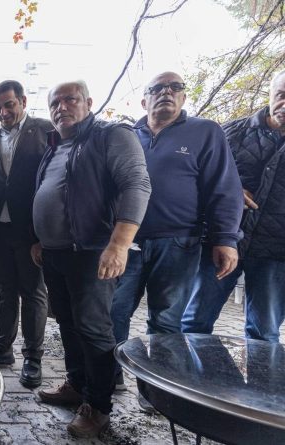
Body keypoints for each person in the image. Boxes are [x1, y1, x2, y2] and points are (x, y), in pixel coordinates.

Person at [110, 72, 243, 407]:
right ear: (144, 101)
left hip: (178, 243)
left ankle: (157, 392)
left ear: (184, 97)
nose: (166, 93)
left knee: (165, 321)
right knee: (113, 312)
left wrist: (226, 238)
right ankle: (107, 380)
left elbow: (224, 188)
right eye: (156, 89)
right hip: (127, 243)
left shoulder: (204, 132)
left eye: (175, 88)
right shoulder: (128, 136)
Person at [33, 81, 151, 438]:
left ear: (89, 102)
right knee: (67, 324)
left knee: (94, 329)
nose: (62, 107)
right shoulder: (54, 145)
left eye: (70, 99)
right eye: (55, 102)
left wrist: (119, 244)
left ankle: (98, 407)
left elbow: (136, 184)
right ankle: (76, 385)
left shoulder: (110, 135)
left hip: (91, 253)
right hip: (55, 254)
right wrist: (39, 239)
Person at [182, 71, 285, 343]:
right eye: (282, 95)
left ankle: (258, 386)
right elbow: (192, 176)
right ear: (270, 94)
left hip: (276, 252)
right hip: (222, 243)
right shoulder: (232, 132)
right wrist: (229, 188)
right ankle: (192, 384)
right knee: (194, 321)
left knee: (264, 332)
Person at [0, 80, 52, 388]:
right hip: (0, 230)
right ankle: (3, 348)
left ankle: (33, 358)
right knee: (4, 292)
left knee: (33, 294)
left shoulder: (47, 131)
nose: (3, 112)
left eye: (9, 104)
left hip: (32, 231)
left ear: (22, 101)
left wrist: (43, 235)